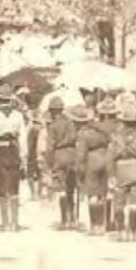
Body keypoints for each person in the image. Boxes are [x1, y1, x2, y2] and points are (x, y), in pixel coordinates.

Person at [0, 87, 27, 231]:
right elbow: (23, 139)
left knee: (1, 188)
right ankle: (15, 223)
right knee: (14, 187)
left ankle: (5, 222)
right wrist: (23, 156)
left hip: (0, 151)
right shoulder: (18, 116)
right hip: (14, 150)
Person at [106, 100, 136, 241]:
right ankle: (133, 231)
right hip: (135, 168)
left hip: (120, 170)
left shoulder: (116, 138)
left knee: (119, 201)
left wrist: (111, 174)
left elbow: (110, 157)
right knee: (134, 203)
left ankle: (121, 231)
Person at [76, 97, 116, 235]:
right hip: (107, 159)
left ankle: (95, 225)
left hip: (91, 161)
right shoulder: (111, 130)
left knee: (93, 195)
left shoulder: (86, 133)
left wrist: (80, 172)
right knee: (105, 194)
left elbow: (81, 155)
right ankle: (105, 223)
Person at [44, 97, 80, 230]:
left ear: (53, 111)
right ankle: (73, 218)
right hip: (72, 153)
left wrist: (48, 163)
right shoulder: (71, 124)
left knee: (61, 189)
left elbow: (49, 147)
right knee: (71, 187)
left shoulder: (52, 126)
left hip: (59, 155)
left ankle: (64, 220)